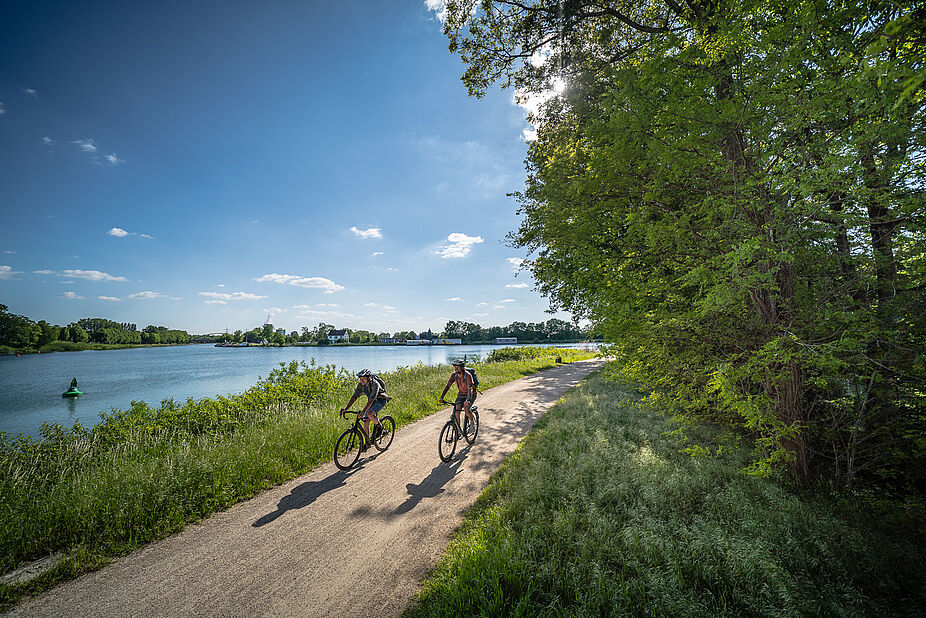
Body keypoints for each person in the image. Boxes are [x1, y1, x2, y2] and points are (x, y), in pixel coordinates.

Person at [340, 369, 390, 451]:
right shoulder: (361, 385)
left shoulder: (375, 384)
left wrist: (363, 412)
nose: (361, 380)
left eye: (363, 379)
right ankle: (367, 443)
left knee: (369, 414)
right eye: (360, 379)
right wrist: (346, 409)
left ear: (368, 378)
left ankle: (380, 427)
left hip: (381, 400)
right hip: (373, 401)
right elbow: (354, 397)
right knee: (366, 421)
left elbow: (371, 400)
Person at [439, 359, 476, 435]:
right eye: (455, 367)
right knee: (456, 411)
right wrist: (441, 397)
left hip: (471, 394)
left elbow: (470, 389)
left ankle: (472, 422)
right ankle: (458, 431)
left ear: (462, 368)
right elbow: (448, 386)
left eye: (457, 367)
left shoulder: (468, 375)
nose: (456, 369)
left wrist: (468, 400)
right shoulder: (454, 375)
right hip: (461, 394)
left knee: (466, 408)